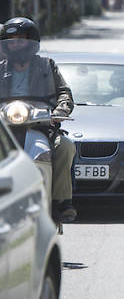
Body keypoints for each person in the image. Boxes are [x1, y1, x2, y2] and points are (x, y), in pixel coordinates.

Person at [0, 17, 77, 223]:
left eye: (21, 39)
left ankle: (61, 203)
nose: (16, 44)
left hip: (42, 125)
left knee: (65, 147)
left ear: (32, 41)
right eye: (11, 40)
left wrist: (60, 110)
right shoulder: (0, 68)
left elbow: (64, 92)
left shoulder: (47, 65)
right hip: (5, 128)